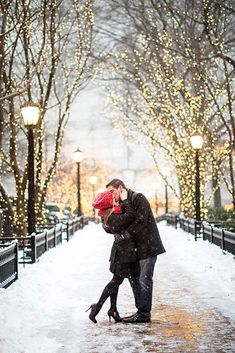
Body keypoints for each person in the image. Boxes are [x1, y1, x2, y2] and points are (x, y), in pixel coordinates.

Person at [105, 179, 166, 323]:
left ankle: (144, 314)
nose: (111, 195)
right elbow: (122, 222)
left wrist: (125, 234)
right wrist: (108, 225)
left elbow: (141, 221)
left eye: (112, 191)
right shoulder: (121, 203)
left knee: (145, 279)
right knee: (134, 280)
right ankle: (140, 311)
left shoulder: (138, 198)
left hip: (148, 246)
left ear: (120, 188)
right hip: (135, 248)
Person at [86, 190, 140, 324]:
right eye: (114, 200)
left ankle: (112, 308)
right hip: (123, 253)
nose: (116, 200)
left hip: (120, 252)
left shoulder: (108, 216)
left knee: (116, 280)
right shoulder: (115, 217)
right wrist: (126, 201)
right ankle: (97, 307)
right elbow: (131, 215)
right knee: (115, 281)